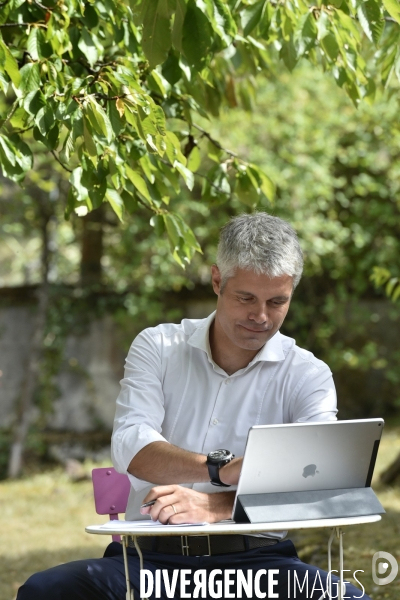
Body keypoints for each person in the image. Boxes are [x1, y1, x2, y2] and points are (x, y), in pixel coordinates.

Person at [18, 213, 369, 599]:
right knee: (46, 591)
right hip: (148, 563)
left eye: (277, 301)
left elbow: (319, 486)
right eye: (246, 298)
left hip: (259, 565)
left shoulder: (308, 374)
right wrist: (223, 468)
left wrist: (213, 505)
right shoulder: (158, 347)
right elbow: (132, 446)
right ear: (217, 280)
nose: (262, 316)